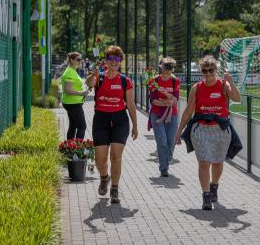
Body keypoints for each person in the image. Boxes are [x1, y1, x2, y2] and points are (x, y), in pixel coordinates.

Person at [175, 55, 241, 210]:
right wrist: (179, 131)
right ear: (201, 72)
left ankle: (214, 185)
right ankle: (206, 195)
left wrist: (231, 82)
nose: (208, 74)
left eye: (211, 70)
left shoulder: (224, 85)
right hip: (201, 129)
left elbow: (237, 98)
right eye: (205, 71)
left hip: (221, 129)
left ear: (216, 70)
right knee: (204, 162)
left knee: (218, 162)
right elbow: (188, 112)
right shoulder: (196, 88)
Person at [86, 45, 138, 204]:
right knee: (100, 158)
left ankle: (114, 188)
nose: (114, 62)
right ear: (106, 61)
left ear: (120, 61)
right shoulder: (99, 77)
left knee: (116, 156)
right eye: (111, 59)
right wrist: (91, 76)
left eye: (117, 59)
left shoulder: (125, 81)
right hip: (101, 119)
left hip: (119, 120)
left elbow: (130, 104)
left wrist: (135, 125)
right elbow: (89, 83)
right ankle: (104, 177)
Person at [148, 57, 180, 177]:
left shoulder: (175, 81)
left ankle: (167, 157)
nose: (167, 73)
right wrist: (166, 102)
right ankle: (163, 168)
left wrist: (167, 97)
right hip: (157, 114)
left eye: (170, 70)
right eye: (165, 69)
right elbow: (153, 101)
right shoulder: (154, 81)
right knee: (162, 142)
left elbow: (175, 100)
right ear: (161, 68)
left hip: (172, 114)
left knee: (171, 140)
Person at [60, 52, 88, 140]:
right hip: (73, 103)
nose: (80, 62)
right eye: (78, 60)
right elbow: (67, 90)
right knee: (82, 126)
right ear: (71, 60)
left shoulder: (72, 71)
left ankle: (69, 148)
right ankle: (78, 150)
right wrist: (81, 93)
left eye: (81, 60)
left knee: (73, 126)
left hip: (72, 102)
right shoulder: (69, 73)